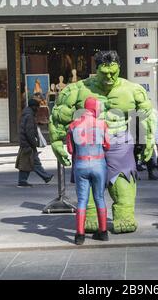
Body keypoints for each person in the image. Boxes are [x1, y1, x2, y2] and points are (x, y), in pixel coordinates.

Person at [50, 50, 155, 234]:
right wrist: (57, 142)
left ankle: (124, 214)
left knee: (123, 181)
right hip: (87, 145)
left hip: (119, 142)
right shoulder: (77, 90)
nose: (109, 76)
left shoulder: (132, 90)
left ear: (119, 68)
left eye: (113, 72)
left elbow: (146, 115)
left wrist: (148, 139)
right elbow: (60, 114)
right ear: (96, 69)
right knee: (87, 183)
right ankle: (90, 215)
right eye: (104, 72)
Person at [66, 97, 110, 245]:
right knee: (99, 198)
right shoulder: (102, 124)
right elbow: (107, 145)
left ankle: (80, 236)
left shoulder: (73, 125)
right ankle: (103, 232)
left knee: (82, 200)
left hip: (81, 164)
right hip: (99, 164)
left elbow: (70, 149)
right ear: (94, 108)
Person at [17, 99, 54, 187]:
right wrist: (34, 143)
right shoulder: (29, 116)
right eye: (37, 107)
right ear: (33, 107)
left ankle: (44, 177)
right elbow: (29, 131)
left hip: (25, 143)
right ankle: (23, 180)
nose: (38, 109)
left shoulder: (26, 114)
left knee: (29, 162)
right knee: (32, 162)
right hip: (28, 143)